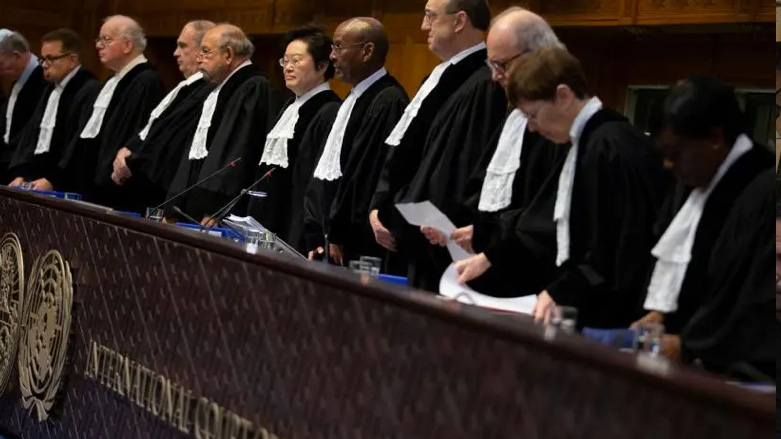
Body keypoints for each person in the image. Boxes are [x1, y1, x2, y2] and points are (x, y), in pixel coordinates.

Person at [457, 47, 670, 328]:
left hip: (618, 315)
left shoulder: (609, 145)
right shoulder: (586, 143)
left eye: (532, 115)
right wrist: (494, 257)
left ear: (563, 96)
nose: (531, 128)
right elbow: (549, 229)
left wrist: (564, 290)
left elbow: (616, 248)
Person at [629, 78, 774, 379]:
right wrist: (662, 313)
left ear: (715, 138)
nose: (669, 164)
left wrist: (691, 344)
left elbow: (751, 297)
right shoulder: (693, 180)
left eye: (676, 152)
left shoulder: (763, 189)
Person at [420, 7, 566, 295]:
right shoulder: (513, 117)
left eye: (503, 65)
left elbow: (544, 212)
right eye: (492, 66)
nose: (496, 76)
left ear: (538, 56)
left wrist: (490, 235)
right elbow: (482, 187)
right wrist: (456, 225)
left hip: (528, 277)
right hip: (488, 264)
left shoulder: (557, 126)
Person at [386, 0, 507, 289]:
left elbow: (461, 166)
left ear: (459, 21)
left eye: (430, 16)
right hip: (418, 228)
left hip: (442, 239)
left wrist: (411, 217)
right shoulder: (440, 76)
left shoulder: (484, 83)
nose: (423, 26)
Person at [304, 17, 408, 263]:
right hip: (333, 238)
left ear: (367, 51)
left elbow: (365, 175)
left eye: (338, 47)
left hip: (357, 244)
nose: (331, 56)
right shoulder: (353, 97)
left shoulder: (387, 100)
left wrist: (338, 233)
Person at [167, 23, 276, 224]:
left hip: (220, 211)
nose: (199, 58)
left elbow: (238, 150)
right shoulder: (216, 89)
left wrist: (216, 208)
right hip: (195, 207)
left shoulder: (252, 87)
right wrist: (174, 205)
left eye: (206, 52)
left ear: (228, 54)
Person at [247, 25, 341, 254]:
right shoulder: (290, 105)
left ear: (322, 66)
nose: (288, 67)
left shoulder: (329, 110)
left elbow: (316, 180)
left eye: (296, 60)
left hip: (296, 223)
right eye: (285, 61)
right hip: (268, 219)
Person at [59, 15, 166, 205]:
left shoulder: (146, 81)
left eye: (106, 39)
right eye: (98, 40)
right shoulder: (112, 81)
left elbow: (133, 136)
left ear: (127, 45)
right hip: (90, 187)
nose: (98, 45)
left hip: (116, 193)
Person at [109, 20, 217, 208]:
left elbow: (168, 142)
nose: (175, 53)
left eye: (183, 46)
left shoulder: (206, 91)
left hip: (159, 191)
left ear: (203, 51)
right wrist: (126, 149)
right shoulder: (184, 87)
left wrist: (132, 160)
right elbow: (152, 127)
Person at [6, 29, 101, 191]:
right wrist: (22, 173)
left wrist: (53, 180)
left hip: (63, 183)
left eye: (51, 58)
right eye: (43, 59)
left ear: (72, 60)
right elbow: (32, 137)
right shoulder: (49, 90)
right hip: (36, 178)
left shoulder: (88, 90)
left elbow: (78, 144)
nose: (44, 64)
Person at [0, 30, 48, 184]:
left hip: (25, 172)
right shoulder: (17, 79)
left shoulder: (44, 80)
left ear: (16, 56)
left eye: (0, 64)